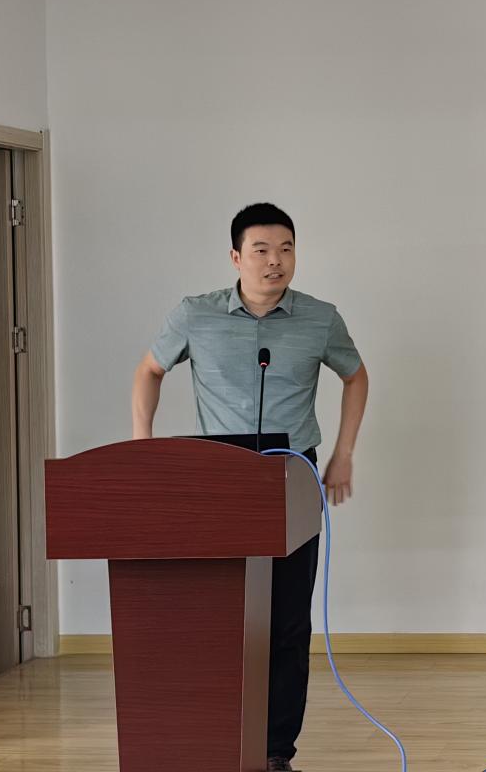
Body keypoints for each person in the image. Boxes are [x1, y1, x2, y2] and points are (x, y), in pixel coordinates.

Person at [131, 202, 369, 772]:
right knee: (220, 616)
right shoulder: (195, 314)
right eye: (261, 250)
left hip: (294, 471)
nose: (275, 261)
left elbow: (356, 375)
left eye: (286, 249)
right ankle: (217, 737)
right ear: (236, 257)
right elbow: (150, 371)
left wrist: (343, 453)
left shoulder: (320, 318)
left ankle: (276, 750)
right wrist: (144, 447)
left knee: (287, 620)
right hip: (218, 475)